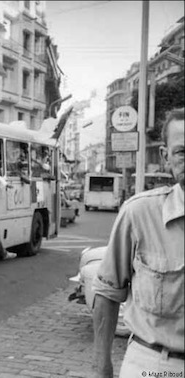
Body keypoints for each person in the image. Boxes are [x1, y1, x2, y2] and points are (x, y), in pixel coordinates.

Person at [92, 108, 184, 377]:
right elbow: (107, 294)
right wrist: (102, 369)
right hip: (154, 365)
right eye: (183, 151)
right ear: (166, 156)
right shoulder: (140, 214)